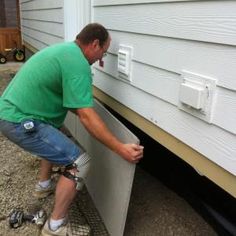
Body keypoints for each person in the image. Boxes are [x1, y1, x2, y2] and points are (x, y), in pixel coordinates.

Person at [0, 23, 144, 236]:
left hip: (11, 113)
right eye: (103, 52)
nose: (100, 60)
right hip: (19, 121)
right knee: (80, 162)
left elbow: (77, 107)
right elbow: (86, 115)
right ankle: (55, 226)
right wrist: (120, 148)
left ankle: (44, 185)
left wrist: (87, 114)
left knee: (53, 131)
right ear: (94, 44)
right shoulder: (77, 64)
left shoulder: (66, 52)